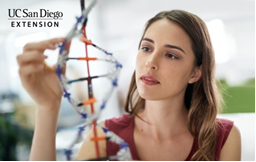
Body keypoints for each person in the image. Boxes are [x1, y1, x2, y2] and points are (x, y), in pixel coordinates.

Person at [17, 10, 241, 161]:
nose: (151, 63)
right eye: (146, 48)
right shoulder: (105, 136)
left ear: (195, 72)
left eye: (171, 55)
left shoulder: (224, 137)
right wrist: (48, 107)